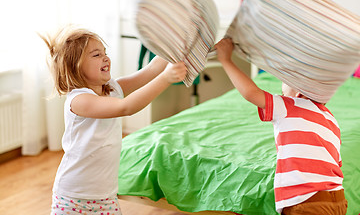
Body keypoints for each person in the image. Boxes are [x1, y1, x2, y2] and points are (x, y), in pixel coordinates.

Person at [40, 25, 187, 215]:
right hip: (74, 198)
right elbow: (126, 107)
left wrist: (174, 44)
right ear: (75, 66)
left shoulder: (111, 88)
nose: (105, 57)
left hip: (105, 196)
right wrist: (166, 79)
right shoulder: (79, 100)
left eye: (104, 52)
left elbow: (150, 70)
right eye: (96, 55)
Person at [214, 38, 347, 215]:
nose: (281, 91)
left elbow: (250, 92)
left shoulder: (289, 105)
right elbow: (336, 162)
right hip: (337, 199)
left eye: (283, 85)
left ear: (298, 93)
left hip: (307, 200)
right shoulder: (331, 120)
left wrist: (226, 60)